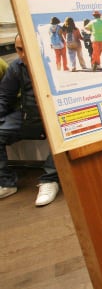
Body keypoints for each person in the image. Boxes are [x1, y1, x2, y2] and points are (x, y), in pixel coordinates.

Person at [0, 34, 60, 206]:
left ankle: (50, 180)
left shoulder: (54, 63)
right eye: (19, 50)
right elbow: (5, 97)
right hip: (29, 114)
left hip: (56, 114)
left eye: (27, 49)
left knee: (66, 129)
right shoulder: (16, 68)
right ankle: (5, 182)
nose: (23, 55)